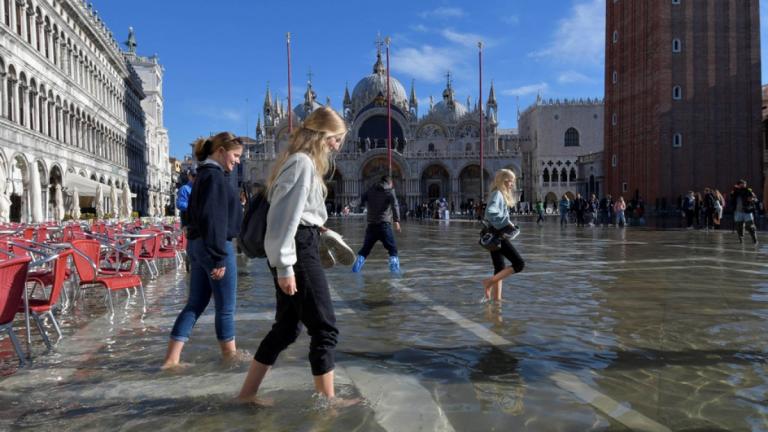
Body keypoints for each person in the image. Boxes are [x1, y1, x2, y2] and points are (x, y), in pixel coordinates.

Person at [238, 107, 349, 404]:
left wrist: (320, 231)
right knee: (325, 327)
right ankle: (328, 402)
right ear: (323, 135)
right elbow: (281, 219)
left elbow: (298, 214)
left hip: (300, 244)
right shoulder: (301, 163)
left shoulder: (302, 163)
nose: (337, 146)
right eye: (336, 139)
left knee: (287, 328)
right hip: (296, 250)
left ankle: (247, 394)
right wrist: (285, 266)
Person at [162, 132, 244, 369]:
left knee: (196, 303)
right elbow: (214, 218)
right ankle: (230, 358)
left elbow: (192, 215)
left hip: (197, 245)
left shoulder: (201, 176)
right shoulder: (215, 177)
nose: (237, 161)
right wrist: (218, 257)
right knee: (226, 307)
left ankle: (171, 359)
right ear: (220, 151)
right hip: (215, 246)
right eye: (235, 155)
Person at [481, 169, 525, 303]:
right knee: (519, 264)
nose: (512, 185)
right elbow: (490, 212)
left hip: (493, 234)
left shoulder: (497, 194)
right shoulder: (498, 194)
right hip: (497, 234)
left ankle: (497, 299)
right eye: (511, 182)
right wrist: (507, 223)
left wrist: (508, 223)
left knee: (499, 267)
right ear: (505, 181)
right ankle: (488, 282)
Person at [351, 175, 402, 273]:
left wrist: (349, 206)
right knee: (393, 250)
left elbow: (360, 199)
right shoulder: (390, 191)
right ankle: (396, 275)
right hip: (384, 226)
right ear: (390, 183)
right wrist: (396, 221)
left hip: (371, 227)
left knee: (364, 251)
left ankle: (355, 271)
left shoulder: (371, 190)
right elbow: (395, 205)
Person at [730, 179, 758, 244]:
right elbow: (732, 199)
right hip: (738, 212)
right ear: (738, 185)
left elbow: (756, 199)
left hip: (747, 211)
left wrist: (752, 199)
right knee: (739, 227)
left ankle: (754, 240)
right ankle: (741, 239)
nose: (744, 185)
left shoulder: (748, 191)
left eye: (745, 184)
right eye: (742, 184)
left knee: (751, 227)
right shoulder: (734, 191)